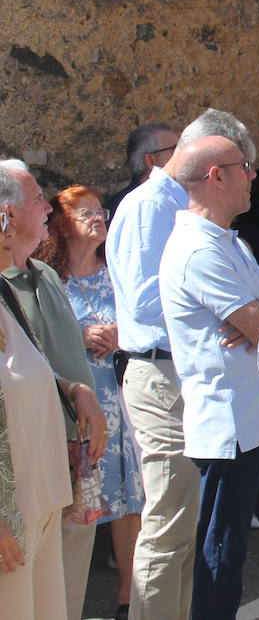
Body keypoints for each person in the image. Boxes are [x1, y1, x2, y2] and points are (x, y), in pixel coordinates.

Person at [107, 108, 254, 620]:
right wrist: (224, 315)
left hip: (184, 373)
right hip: (161, 372)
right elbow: (148, 304)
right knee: (170, 522)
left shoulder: (180, 205)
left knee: (189, 520)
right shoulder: (151, 205)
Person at [159, 136, 259, 620]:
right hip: (233, 427)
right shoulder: (198, 249)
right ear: (217, 176)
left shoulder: (227, 239)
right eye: (245, 166)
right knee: (222, 558)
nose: (252, 176)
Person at [0, 160, 110, 620]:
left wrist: (71, 390)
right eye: (35, 199)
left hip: (41, 497)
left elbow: (21, 373)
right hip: (13, 513)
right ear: (4, 218)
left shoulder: (8, 292)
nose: (47, 206)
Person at [33, 187, 145, 618]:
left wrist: (122, 333)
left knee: (129, 498)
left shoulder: (116, 271)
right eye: (86, 213)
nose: (99, 218)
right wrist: (77, 337)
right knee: (74, 504)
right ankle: (61, 601)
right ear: (62, 223)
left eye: (101, 211)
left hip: (118, 397)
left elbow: (144, 318)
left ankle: (126, 598)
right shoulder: (46, 277)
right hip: (73, 401)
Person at [106, 123, 179, 217]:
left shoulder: (183, 197)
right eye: (174, 150)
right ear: (150, 160)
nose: (182, 155)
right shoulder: (136, 205)